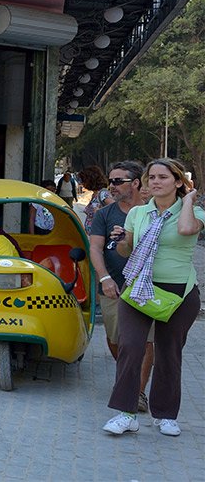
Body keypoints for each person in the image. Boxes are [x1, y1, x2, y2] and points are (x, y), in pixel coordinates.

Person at [101, 158, 203, 437]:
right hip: (138, 290)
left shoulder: (194, 213)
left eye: (163, 177)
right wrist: (121, 240)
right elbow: (126, 251)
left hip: (178, 293)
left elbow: (184, 230)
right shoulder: (138, 213)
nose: (155, 182)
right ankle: (126, 413)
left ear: (178, 182)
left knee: (169, 353)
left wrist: (189, 199)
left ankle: (166, 415)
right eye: (152, 177)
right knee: (131, 348)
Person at [88, 161, 154, 413]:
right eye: (110, 181)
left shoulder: (152, 211)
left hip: (147, 286)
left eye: (118, 181)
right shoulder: (105, 214)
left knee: (146, 341)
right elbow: (95, 247)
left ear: (136, 183)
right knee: (116, 339)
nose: (111, 186)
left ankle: (137, 392)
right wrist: (104, 279)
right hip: (113, 285)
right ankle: (127, 372)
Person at [80, 165, 109, 230]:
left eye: (83, 180)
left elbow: (115, 209)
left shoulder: (103, 194)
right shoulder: (94, 194)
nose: (82, 183)